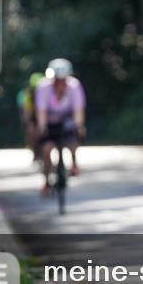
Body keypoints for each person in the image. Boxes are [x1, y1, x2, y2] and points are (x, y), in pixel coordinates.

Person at [35, 58, 86, 194]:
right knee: (46, 150)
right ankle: (46, 181)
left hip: (67, 122)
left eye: (62, 79)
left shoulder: (74, 86)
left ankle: (74, 163)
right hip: (50, 123)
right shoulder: (43, 87)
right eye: (56, 79)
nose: (59, 83)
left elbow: (78, 110)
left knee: (74, 138)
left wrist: (79, 125)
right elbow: (41, 111)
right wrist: (42, 126)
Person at [17, 72, 44, 162]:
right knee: (31, 132)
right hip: (33, 118)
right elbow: (26, 111)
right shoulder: (28, 95)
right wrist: (27, 122)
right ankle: (34, 151)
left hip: (45, 117)